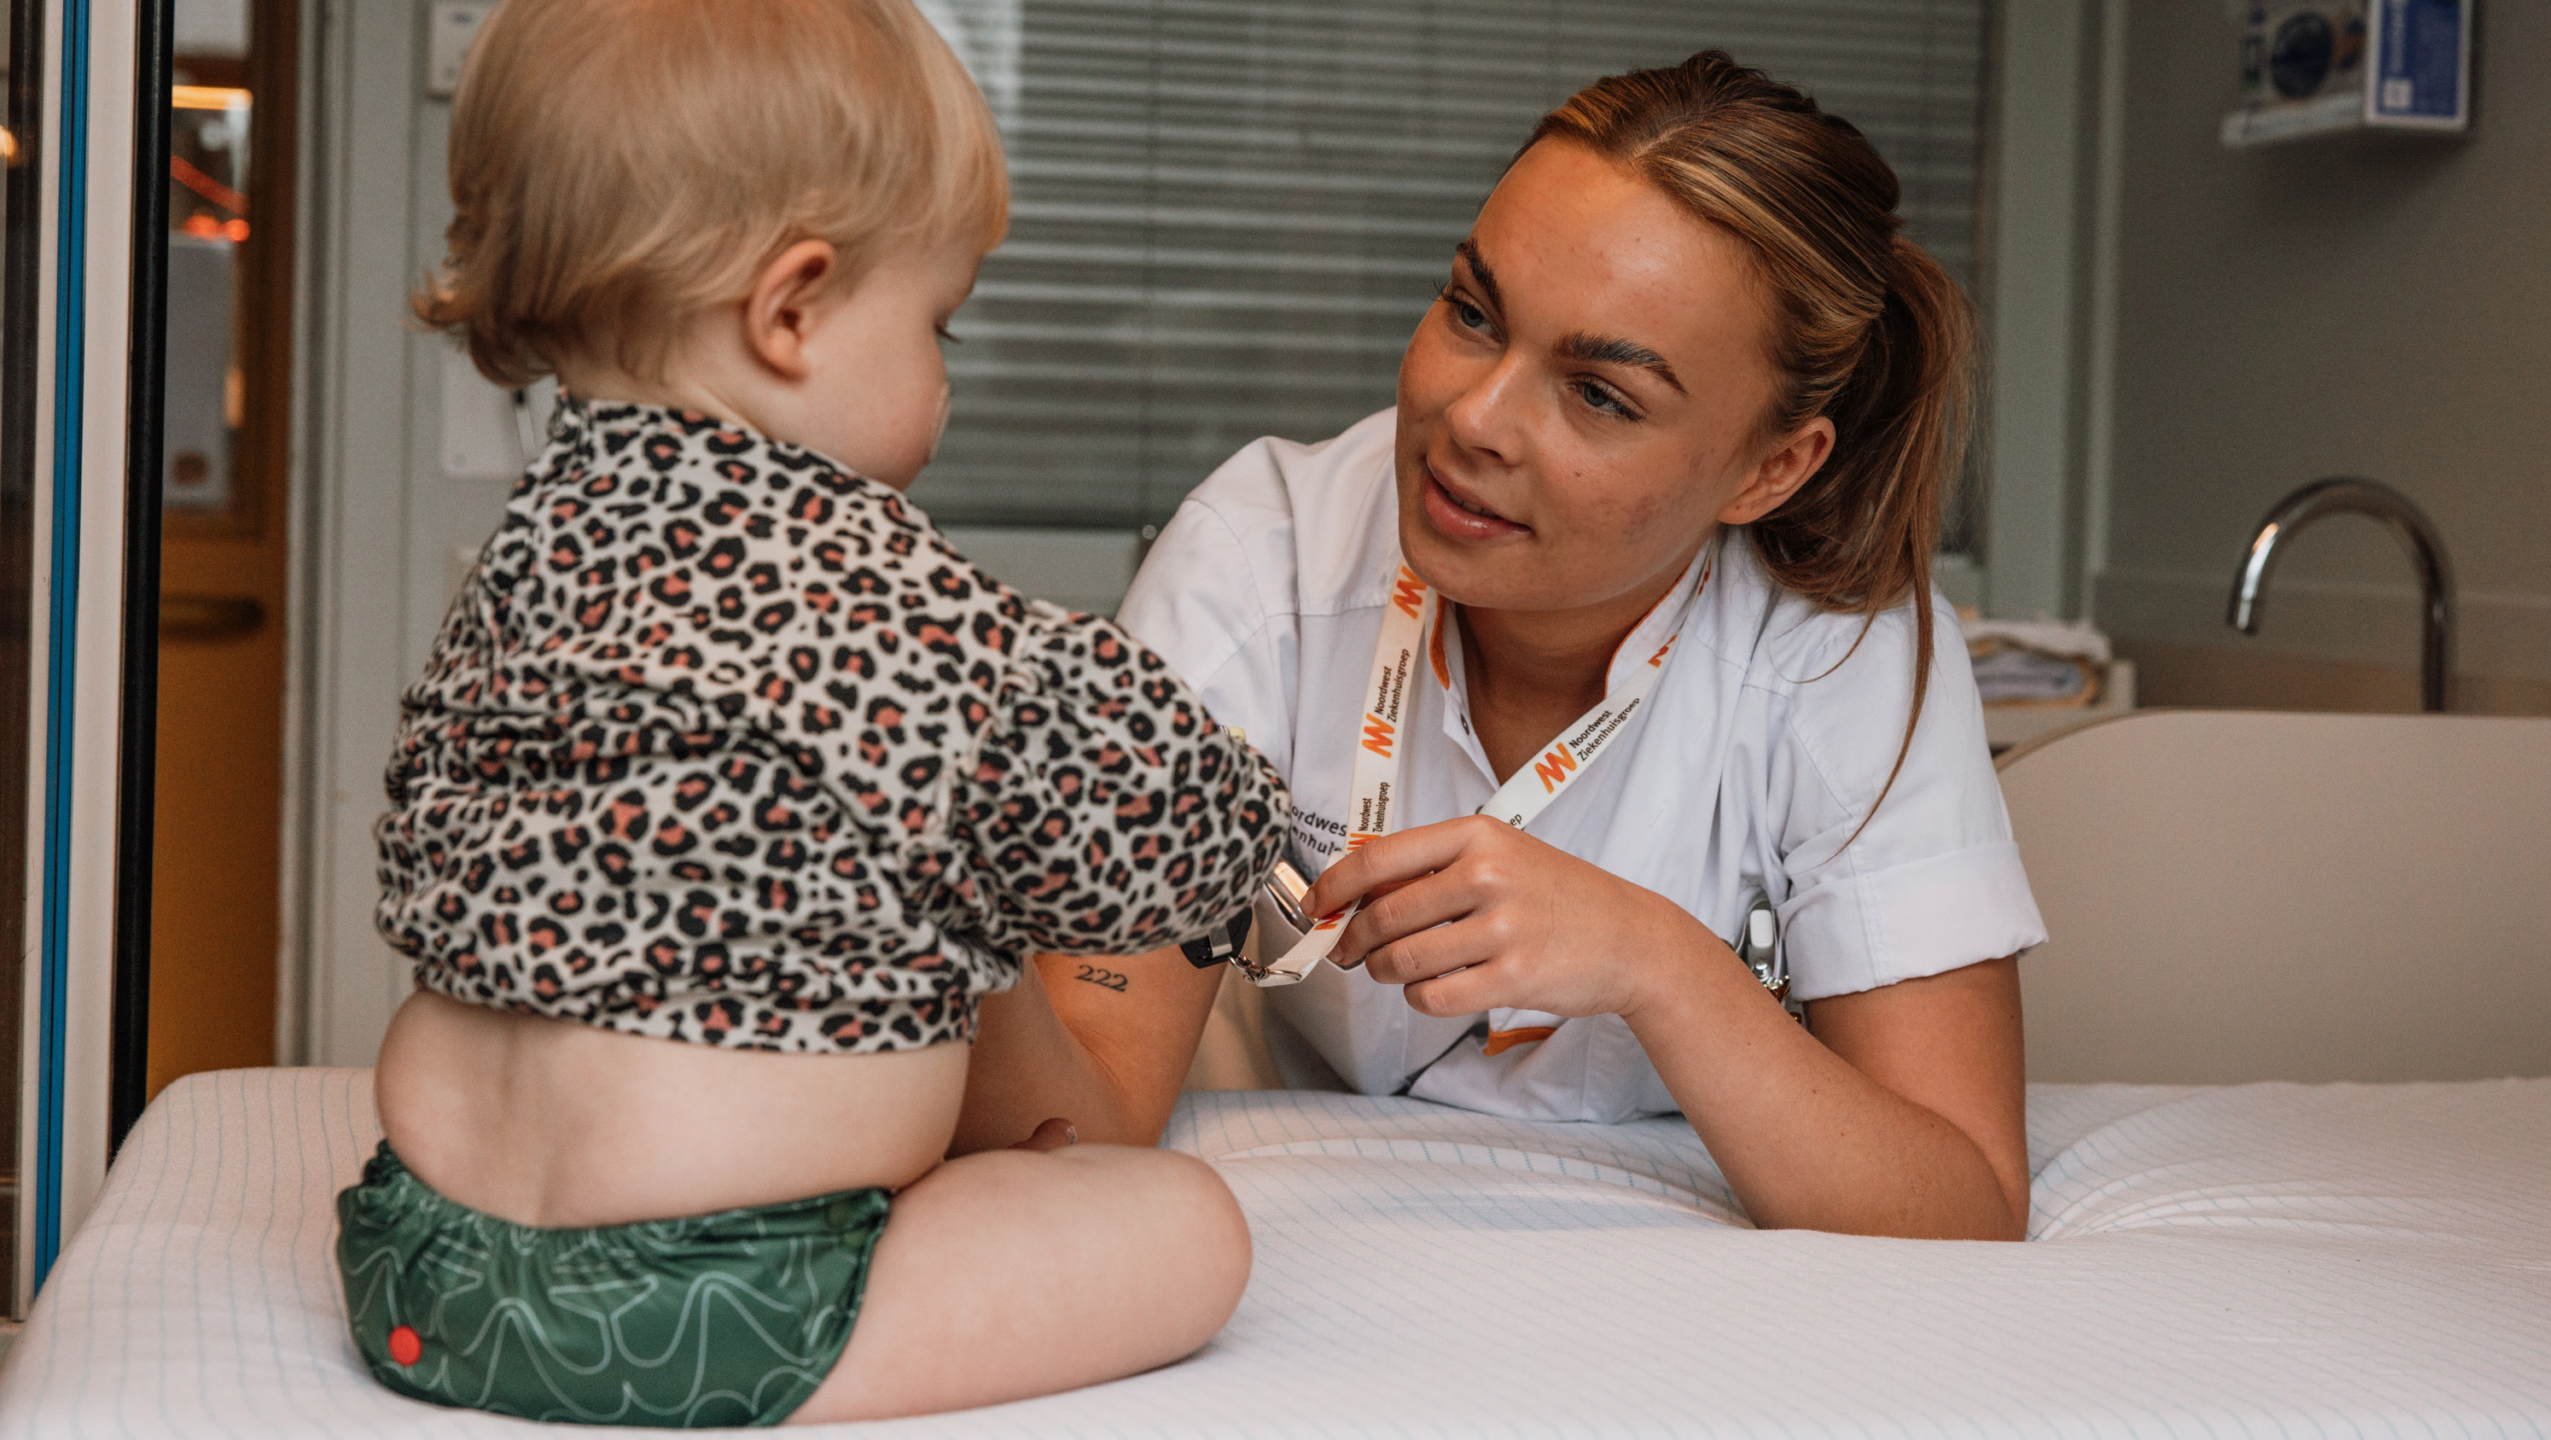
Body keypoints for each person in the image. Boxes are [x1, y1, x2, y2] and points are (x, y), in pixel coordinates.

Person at [336, 0, 1289, 1425]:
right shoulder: (909, 611)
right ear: (792, 309)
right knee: (1184, 1226)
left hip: (417, 1264)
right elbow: (1155, 819)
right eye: (936, 322)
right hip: (711, 1310)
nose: (947, 376)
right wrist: (1258, 832)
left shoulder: (523, 571)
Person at [954, 52, 2047, 1243]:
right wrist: (940, 901)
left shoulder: (1846, 650)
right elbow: (1081, 1118)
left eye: (1599, 395)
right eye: (1472, 314)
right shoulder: (1259, 558)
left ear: (1768, 468)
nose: (1472, 418)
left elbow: (1966, 1207)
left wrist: (1657, 962)